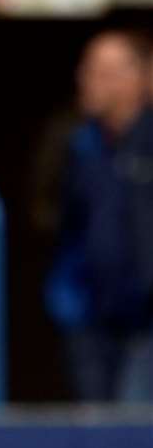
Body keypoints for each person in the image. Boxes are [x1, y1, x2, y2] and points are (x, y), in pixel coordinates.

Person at [46, 30, 153, 404]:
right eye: (88, 69)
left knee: (134, 432)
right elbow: (53, 216)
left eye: (104, 72)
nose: (88, 80)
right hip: (89, 322)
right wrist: (66, 300)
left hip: (145, 326)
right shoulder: (76, 143)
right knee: (95, 433)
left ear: (140, 78)